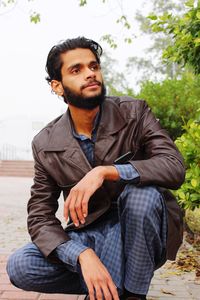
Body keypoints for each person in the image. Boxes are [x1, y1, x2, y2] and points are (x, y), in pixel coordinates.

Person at [7, 37, 185, 300]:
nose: (90, 73)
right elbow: (39, 216)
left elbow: (173, 166)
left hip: (142, 232)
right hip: (90, 235)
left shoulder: (135, 112)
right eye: (76, 70)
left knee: (141, 195)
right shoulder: (45, 143)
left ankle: (130, 293)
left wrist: (106, 171)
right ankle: (111, 282)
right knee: (21, 265)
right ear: (57, 86)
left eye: (94, 66)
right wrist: (80, 254)